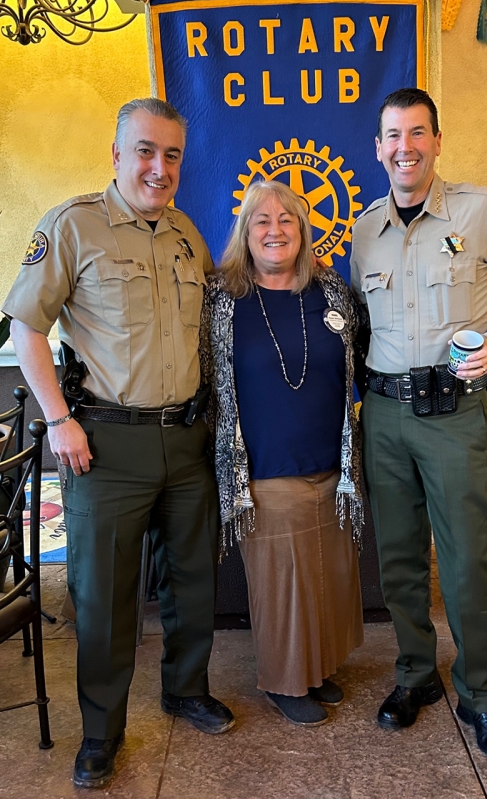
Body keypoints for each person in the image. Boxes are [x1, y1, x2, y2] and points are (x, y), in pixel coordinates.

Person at [2, 98, 234, 789]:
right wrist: (58, 419)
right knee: (103, 596)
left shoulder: (188, 234)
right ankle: (101, 730)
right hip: (105, 445)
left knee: (193, 580)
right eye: (145, 151)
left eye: (171, 156)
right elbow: (27, 328)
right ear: (117, 153)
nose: (158, 169)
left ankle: (185, 687)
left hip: (186, 439)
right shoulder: (73, 226)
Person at [351, 88, 487, 757]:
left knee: (468, 559)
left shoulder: (482, 209)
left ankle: (481, 694)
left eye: (417, 133)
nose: (404, 147)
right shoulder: (363, 230)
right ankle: (416, 674)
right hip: (383, 414)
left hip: (453, 415)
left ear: (438, 140)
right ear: (378, 147)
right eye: (392, 136)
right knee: (399, 559)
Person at [200, 180, 364, 727]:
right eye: (261, 220)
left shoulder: (332, 293)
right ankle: (285, 681)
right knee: (284, 584)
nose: (275, 230)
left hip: (332, 466)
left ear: (303, 229)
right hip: (265, 468)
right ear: (246, 234)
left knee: (328, 575)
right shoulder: (222, 301)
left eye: (286, 220)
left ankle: (317, 669)